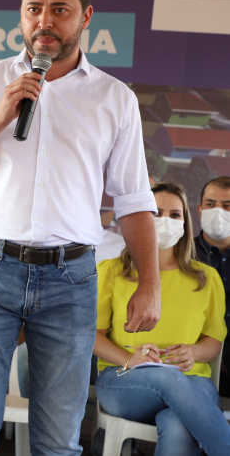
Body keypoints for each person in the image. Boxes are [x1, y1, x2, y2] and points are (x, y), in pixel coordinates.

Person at [0, 0, 159, 455]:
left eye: (59, 10)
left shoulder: (115, 99)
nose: (44, 22)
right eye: (34, 9)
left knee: (58, 442)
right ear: (21, 14)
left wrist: (150, 283)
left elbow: (134, 199)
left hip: (70, 279)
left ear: (86, 16)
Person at [94, 181, 230, 455]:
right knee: (168, 380)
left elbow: (214, 340)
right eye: (155, 213)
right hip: (123, 377)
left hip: (193, 381)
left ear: (185, 222)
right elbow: (90, 335)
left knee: (178, 421)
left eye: (174, 214)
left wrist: (193, 351)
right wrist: (131, 359)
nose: (164, 221)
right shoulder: (111, 272)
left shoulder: (207, 278)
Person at [193, 176, 230, 396]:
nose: (218, 211)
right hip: (192, 358)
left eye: (227, 206)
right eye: (211, 204)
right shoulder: (179, 254)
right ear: (199, 209)